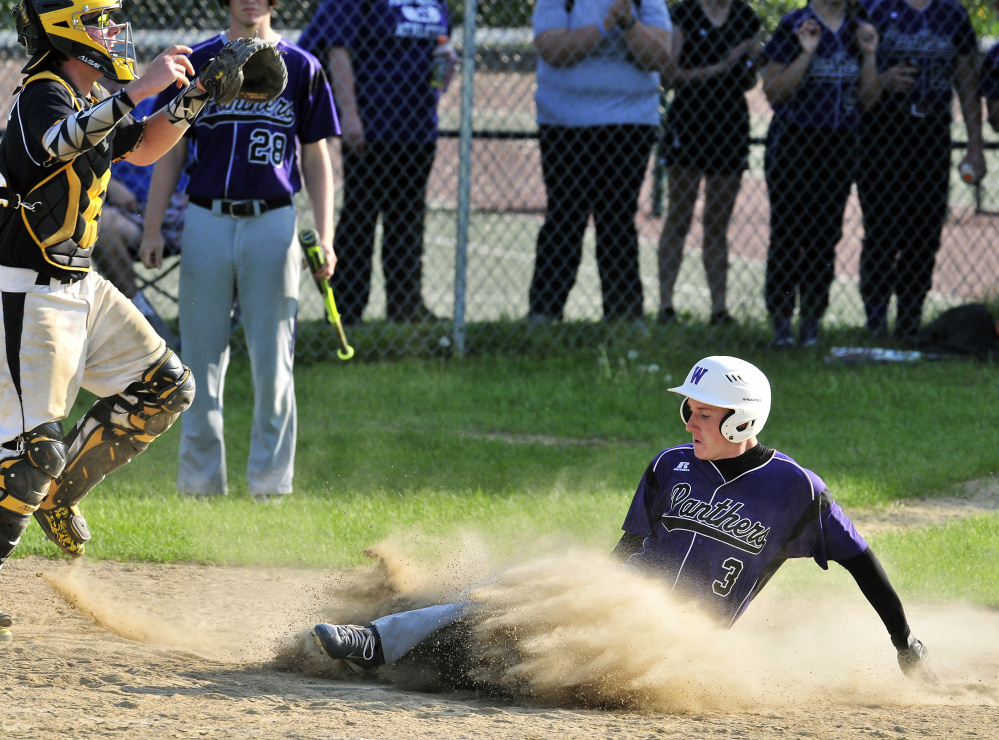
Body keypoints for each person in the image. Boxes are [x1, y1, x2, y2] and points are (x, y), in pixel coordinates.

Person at [311, 355, 932, 684]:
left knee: (527, 657)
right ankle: (380, 641)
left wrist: (904, 642)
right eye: (687, 409)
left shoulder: (796, 491)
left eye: (701, 412)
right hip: (620, 605)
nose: (688, 421)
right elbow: (628, 546)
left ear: (743, 421)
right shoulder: (669, 465)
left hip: (682, 644)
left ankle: (410, 651)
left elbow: (861, 564)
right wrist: (578, 591)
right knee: (510, 597)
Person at [0, 0, 216, 633]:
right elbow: (51, 146)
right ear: (67, 32)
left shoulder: (86, 96)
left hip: (82, 287)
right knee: (30, 455)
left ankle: (60, 496)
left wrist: (196, 95)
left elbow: (145, 148)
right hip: (29, 292)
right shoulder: (44, 91)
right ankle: (43, 485)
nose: (111, 34)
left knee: (165, 387)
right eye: (97, 22)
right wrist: (140, 87)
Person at [141, 0, 338, 501]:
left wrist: (326, 234)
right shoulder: (200, 63)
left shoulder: (302, 66)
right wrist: (152, 226)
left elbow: (316, 158)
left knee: (274, 362)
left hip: (273, 219)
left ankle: (271, 488)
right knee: (200, 359)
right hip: (206, 218)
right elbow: (170, 148)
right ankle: (200, 486)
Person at [298, 0, 456, 325]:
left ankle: (405, 308)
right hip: (372, 127)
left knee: (408, 221)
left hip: (419, 129)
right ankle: (345, 310)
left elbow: (443, 44)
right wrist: (350, 114)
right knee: (361, 217)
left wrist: (445, 67)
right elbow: (338, 50)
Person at [527, 0, 672, 326]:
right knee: (564, 216)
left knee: (617, 220)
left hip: (629, 125)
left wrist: (629, 23)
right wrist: (606, 25)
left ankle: (624, 319)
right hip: (564, 125)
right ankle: (543, 316)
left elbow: (661, 57)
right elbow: (553, 49)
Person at [856, 0, 984, 342]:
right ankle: (876, 319)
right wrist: (884, 78)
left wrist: (975, 144)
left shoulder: (953, 13)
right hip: (883, 132)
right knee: (881, 230)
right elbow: (854, 77)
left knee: (924, 231)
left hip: (932, 133)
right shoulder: (873, 8)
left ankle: (910, 319)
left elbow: (967, 82)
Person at [759, 0, 881, 348]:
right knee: (787, 235)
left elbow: (869, 99)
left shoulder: (860, 27)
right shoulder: (795, 25)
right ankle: (782, 323)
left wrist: (870, 53)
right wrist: (807, 54)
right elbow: (774, 90)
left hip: (840, 143)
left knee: (824, 237)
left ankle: (812, 323)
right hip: (796, 141)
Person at [657, 0, 761, 327]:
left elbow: (747, 81)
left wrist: (750, 63)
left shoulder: (746, 17)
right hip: (688, 123)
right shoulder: (682, 14)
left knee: (717, 223)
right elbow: (669, 76)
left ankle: (719, 310)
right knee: (679, 216)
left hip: (730, 126)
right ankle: (665, 306)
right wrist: (722, 65)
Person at [95, 99, 189, 350]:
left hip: (181, 206)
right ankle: (144, 319)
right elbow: (82, 161)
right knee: (102, 227)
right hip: (132, 213)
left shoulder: (170, 103)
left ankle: (211, 325)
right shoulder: (95, 112)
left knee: (222, 222)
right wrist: (111, 186)